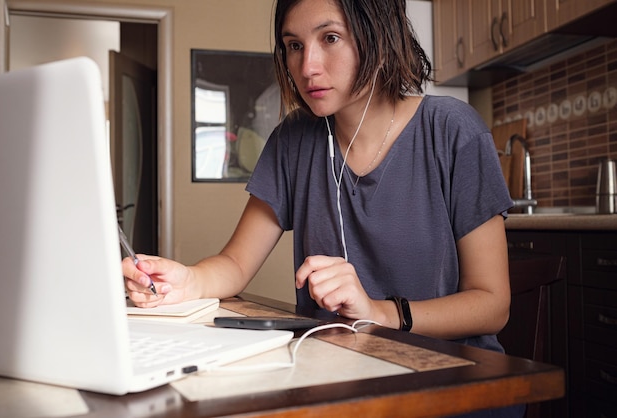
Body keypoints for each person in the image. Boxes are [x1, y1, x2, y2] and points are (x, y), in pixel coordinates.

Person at [126, 0, 513, 376]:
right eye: (294, 45)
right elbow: (236, 264)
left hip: (452, 379)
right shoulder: (293, 139)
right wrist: (185, 281)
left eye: (329, 38)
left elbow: (492, 303)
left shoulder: (452, 130)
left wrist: (380, 313)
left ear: (378, 35)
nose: (307, 66)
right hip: (338, 373)